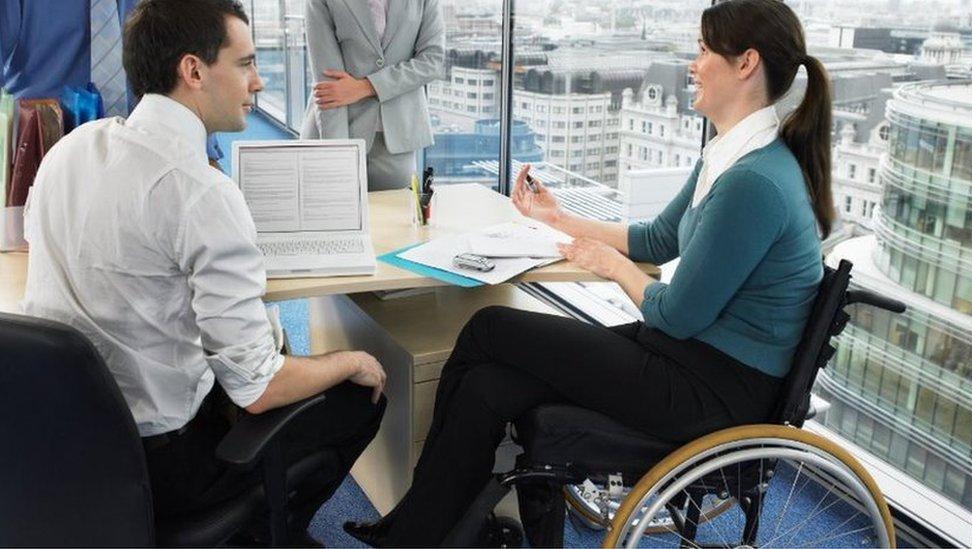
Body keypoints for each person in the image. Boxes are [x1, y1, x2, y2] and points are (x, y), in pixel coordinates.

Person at [343, 0, 834, 546]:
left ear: (745, 63)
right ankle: (424, 529)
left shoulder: (754, 181)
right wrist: (558, 219)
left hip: (711, 389)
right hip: (687, 358)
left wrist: (610, 265)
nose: (692, 65)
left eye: (701, 50)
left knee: (490, 329)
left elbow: (677, 314)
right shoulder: (729, 154)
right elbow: (659, 238)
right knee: (488, 383)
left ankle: (420, 529)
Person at [22, 0, 386, 543]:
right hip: (166, 468)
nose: (258, 82)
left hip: (63, 446)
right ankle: (262, 533)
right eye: (245, 64)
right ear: (193, 71)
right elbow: (257, 389)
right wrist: (350, 357)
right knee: (362, 390)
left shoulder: (69, 150)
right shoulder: (201, 192)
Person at [300, 0, 444, 191]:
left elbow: (432, 62)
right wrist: (337, 154)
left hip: (397, 138)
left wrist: (367, 87)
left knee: (395, 217)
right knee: (336, 215)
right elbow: (330, 86)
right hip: (338, 130)